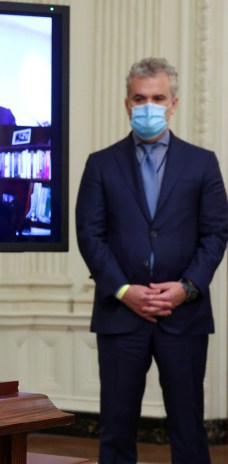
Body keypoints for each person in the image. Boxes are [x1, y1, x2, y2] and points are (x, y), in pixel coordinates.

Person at [75, 57, 228, 462]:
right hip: (121, 316)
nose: (148, 106)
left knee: (189, 431)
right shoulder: (100, 164)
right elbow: (90, 235)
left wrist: (187, 288)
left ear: (173, 103)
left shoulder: (203, 163)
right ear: (127, 103)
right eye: (140, 98)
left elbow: (216, 234)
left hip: (184, 316)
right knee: (116, 431)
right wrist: (123, 290)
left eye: (157, 98)